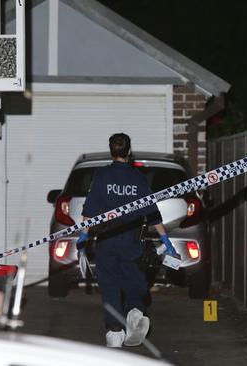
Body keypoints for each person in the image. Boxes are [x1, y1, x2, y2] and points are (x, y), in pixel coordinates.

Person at [76, 133, 177, 348]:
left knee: (110, 285)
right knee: (134, 281)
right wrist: (165, 240)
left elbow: (89, 212)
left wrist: (83, 239)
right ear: (128, 152)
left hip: (106, 241)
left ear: (112, 151)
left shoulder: (102, 176)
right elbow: (153, 212)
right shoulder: (137, 177)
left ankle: (114, 332)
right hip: (131, 240)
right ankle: (134, 311)